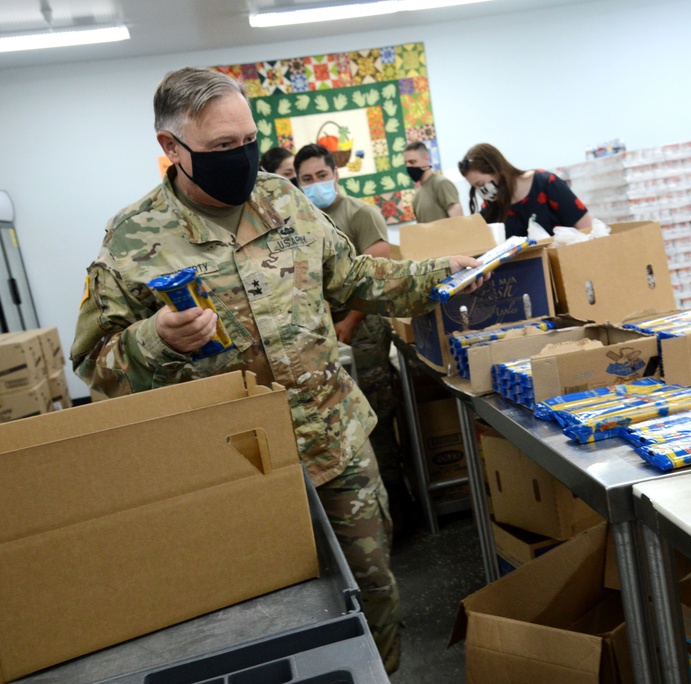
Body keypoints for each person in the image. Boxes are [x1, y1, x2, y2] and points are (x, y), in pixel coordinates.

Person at [70, 67, 483, 674]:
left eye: (247, 141)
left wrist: (442, 273)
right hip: (231, 469)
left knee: (375, 596)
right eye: (219, 148)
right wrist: (155, 338)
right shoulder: (133, 239)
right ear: (170, 149)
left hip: (333, 447)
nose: (240, 158)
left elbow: (358, 279)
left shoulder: (284, 200)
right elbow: (93, 365)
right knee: (270, 620)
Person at [293, 143, 409, 532]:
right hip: (327, 332)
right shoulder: (302, 218)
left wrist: (350, 322)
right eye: (306, 179)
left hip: (363, 328)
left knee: (374, 413)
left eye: (321, 176)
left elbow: (378, 271)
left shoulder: (359, 214)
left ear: (335, 174)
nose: (315, 184)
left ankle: (398, 508)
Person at [459, 142, 591, 238]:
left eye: (481, 183)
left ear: (497, 169)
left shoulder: (545, 184)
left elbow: (586, 227)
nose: (481, 191)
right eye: (475, 187)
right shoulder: (491, 208)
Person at [403, 141, 462, 223]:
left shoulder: (441, 184)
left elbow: (459, 222)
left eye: (412, 162)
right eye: (406, 163)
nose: (408, 166)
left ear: (426, 158)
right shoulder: (417, 196)